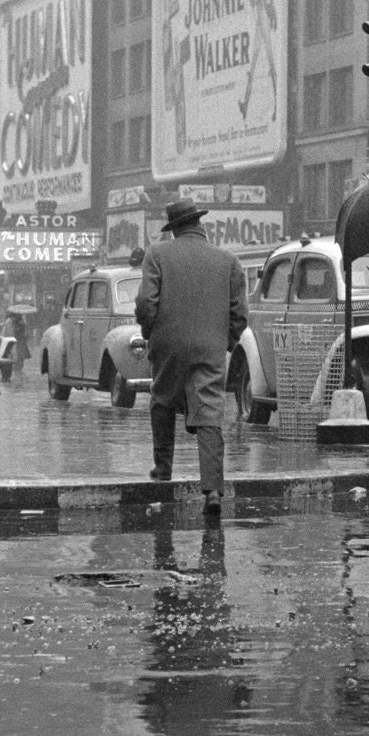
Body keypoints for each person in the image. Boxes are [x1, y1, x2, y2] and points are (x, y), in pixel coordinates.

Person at [135, 200, 248, 517]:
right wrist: (225, 341)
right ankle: (212, 490)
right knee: (210, 411)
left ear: (174, 229)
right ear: (200, 225)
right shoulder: (228, 261)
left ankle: (163, 471)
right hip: (210, 346)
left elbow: (146, 302)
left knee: (162, 398)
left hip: (168, 343)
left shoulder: (157, 254)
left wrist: (149, 331)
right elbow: (239, 313)